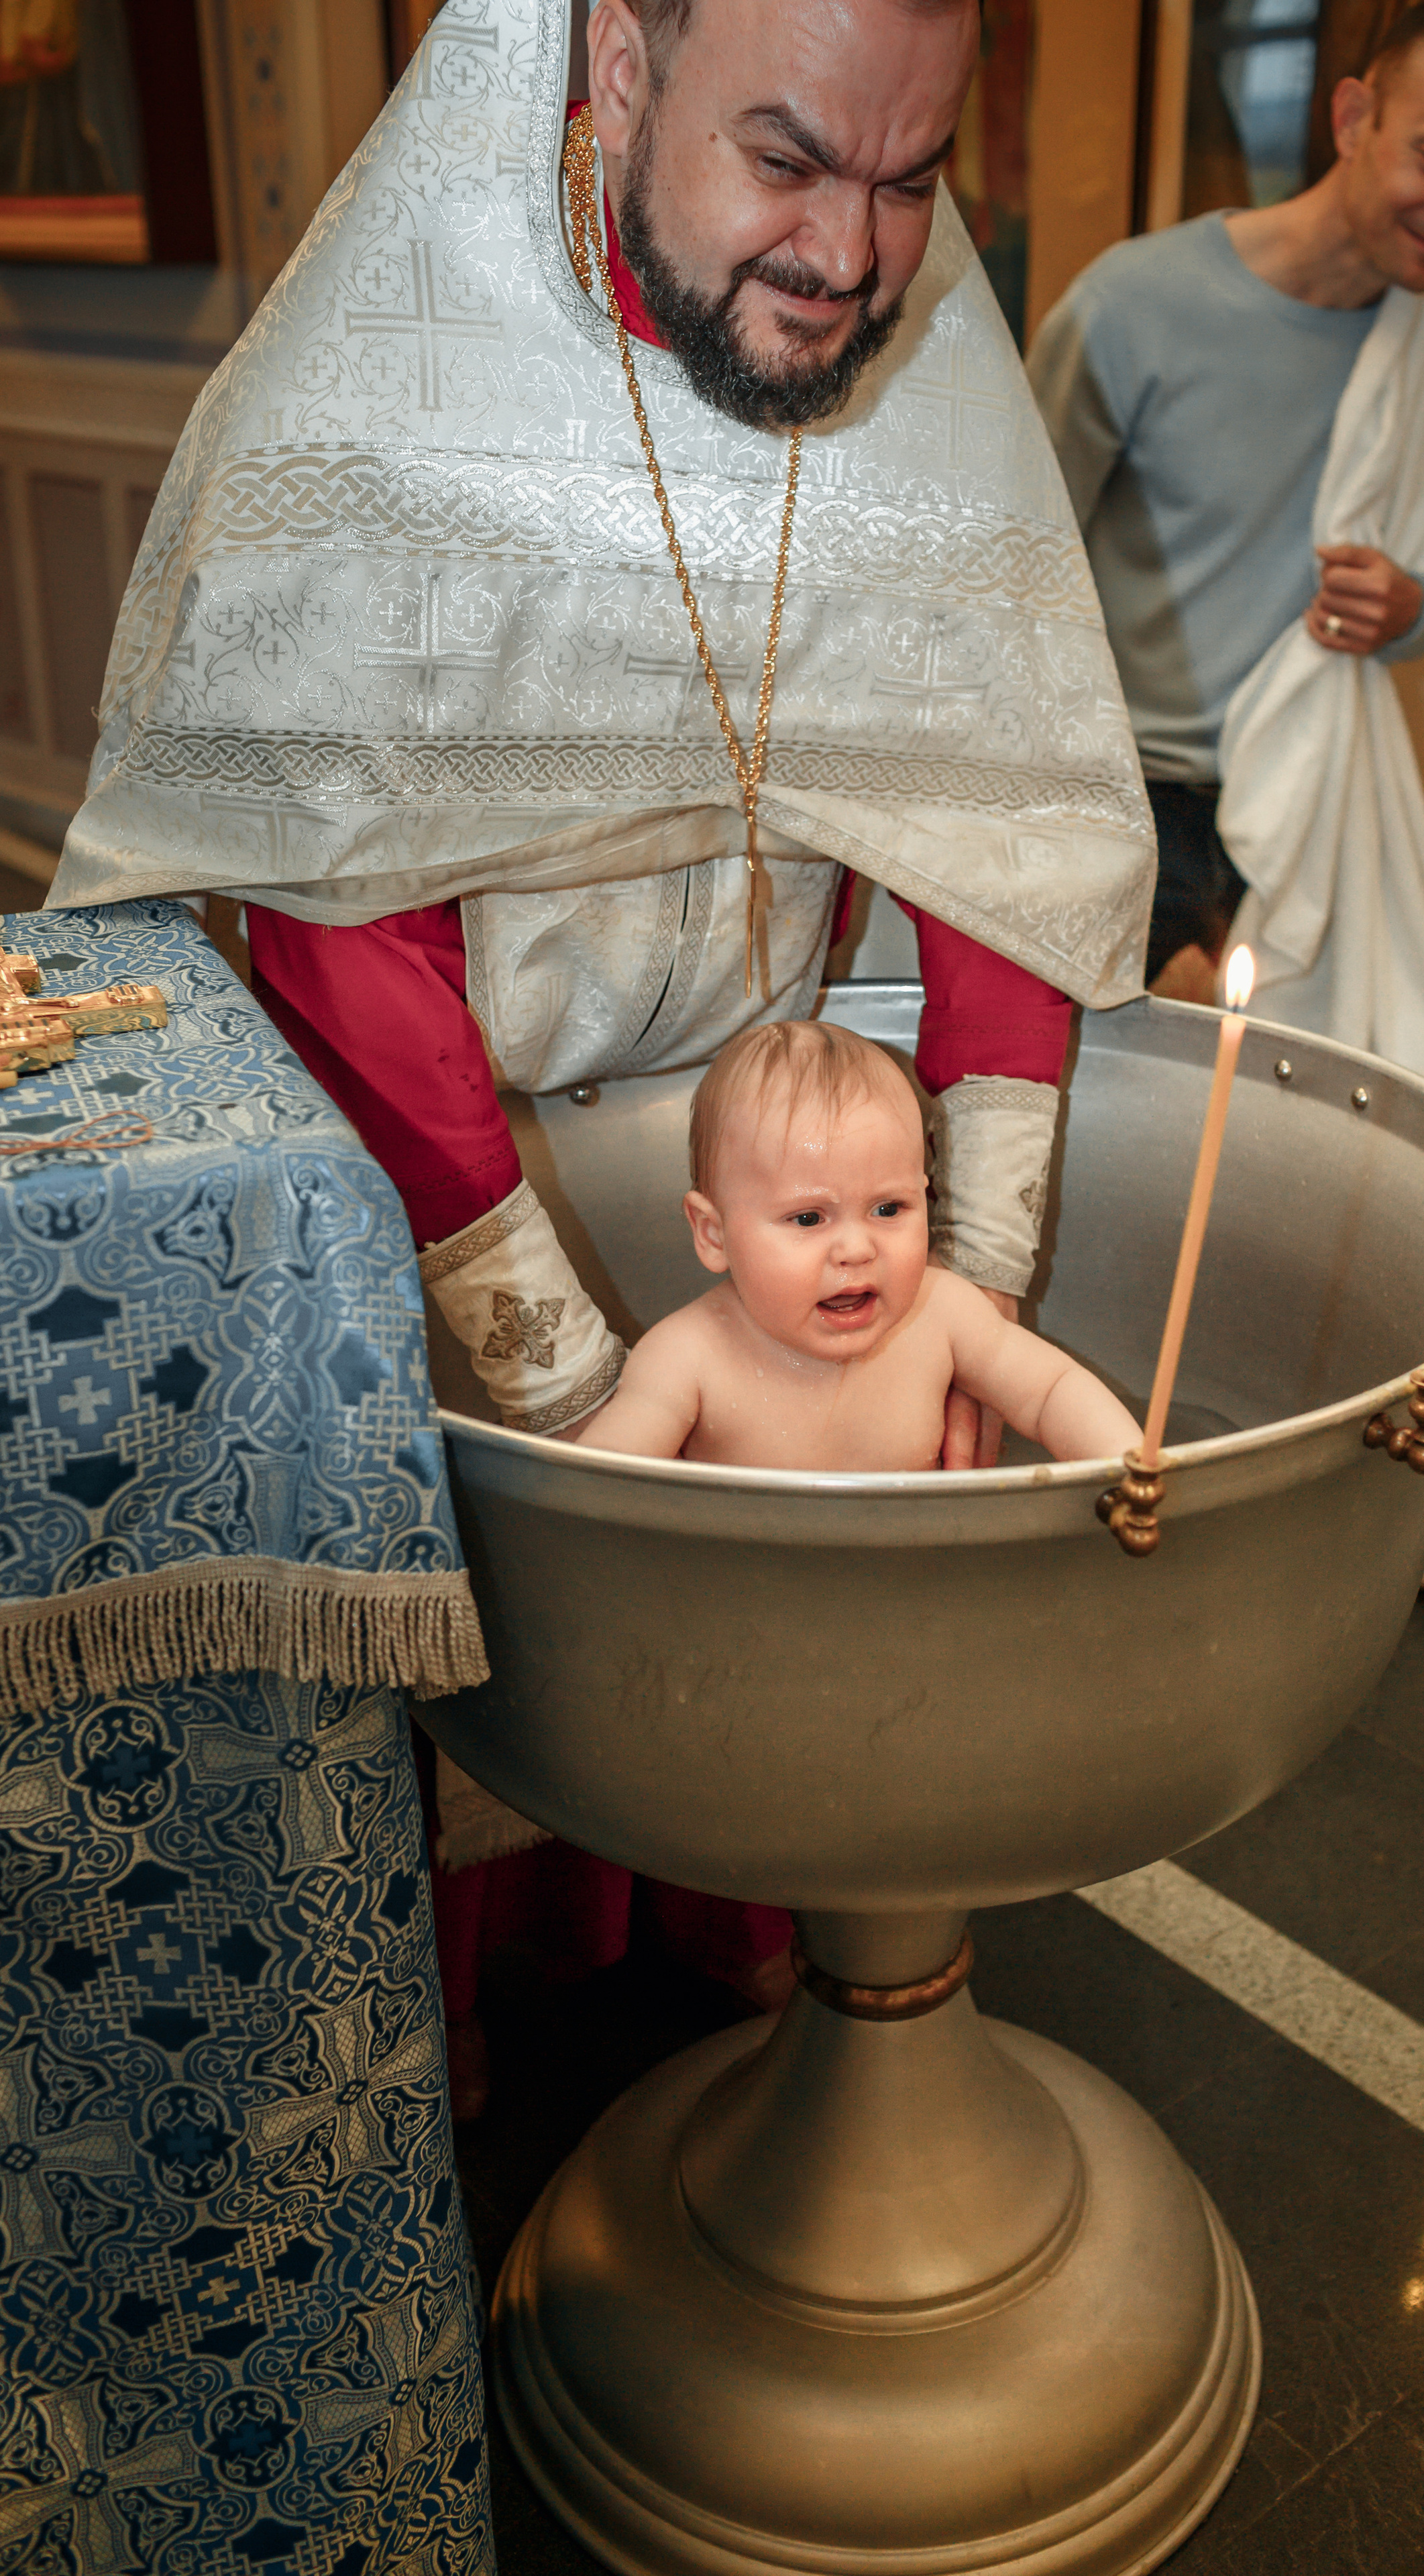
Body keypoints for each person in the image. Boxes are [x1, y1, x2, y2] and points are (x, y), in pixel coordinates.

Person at [47, 0, 1155, 2105]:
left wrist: (967, 1284)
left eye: (913, 180)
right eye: (789, 160)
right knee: (513, 1649)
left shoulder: (919, 378)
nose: (852, 253)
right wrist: (561, 1376)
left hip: (785, 1141)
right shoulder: (384, 400)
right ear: (618, 73)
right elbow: (333, 900)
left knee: (787, 1673)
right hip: (467, 1158)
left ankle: (758, 1932)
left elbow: (994, 824)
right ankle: (476, 2021)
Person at [1028, 0, 1424, 1588]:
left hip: (1312, 785)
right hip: (1112, 792)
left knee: (1341, 1129)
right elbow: (1010, 549)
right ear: (1347, 114)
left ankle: (1384, 1462)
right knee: (1072, 1137)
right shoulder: (1134, 306)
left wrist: (1414, 608)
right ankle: (1050, 1441)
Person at [577, 1020, 1142, 1466]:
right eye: (807, 1218)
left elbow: (1052, 1391)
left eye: (889, 1209)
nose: (856, 1249)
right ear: (713, 1234)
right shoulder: (687, 1357)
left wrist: (1127, 1464)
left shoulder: (942, 1315)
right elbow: (603, 1490)